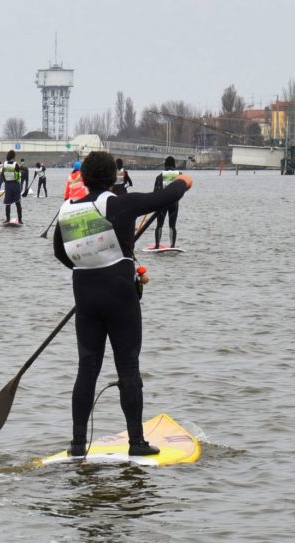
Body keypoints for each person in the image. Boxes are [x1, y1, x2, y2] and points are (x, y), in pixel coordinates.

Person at [52, 151, 192, 457]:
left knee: (87, 369)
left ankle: (77, 444)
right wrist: (184, 181)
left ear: (84, 178)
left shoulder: (67, 210)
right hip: (120, 295)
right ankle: (137, 442)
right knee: (128, 366)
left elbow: (61, 253)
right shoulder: (118, 203)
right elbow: (164, 197)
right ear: (114, 177)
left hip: (85, 295)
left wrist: (88, 267)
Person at [153, 156, 182, 248]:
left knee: (159, 225)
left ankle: (157, 246)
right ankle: (172, 246)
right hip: (174, 203)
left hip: (162, 203)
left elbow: (155, 192)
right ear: (174, 165)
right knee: (172, 226)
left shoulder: (159, 177)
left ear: (165, 165)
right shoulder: (180, 175)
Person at [0, 150, 23, 223]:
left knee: (8, 203)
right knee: (18, 203)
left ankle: (7, 219)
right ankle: (20, 220)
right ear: (14, 156)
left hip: (8, 185)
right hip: (15, 185)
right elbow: (17, 176)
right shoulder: (16, 164)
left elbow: (2, 175)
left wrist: (6, 182)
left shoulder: (5, 164)